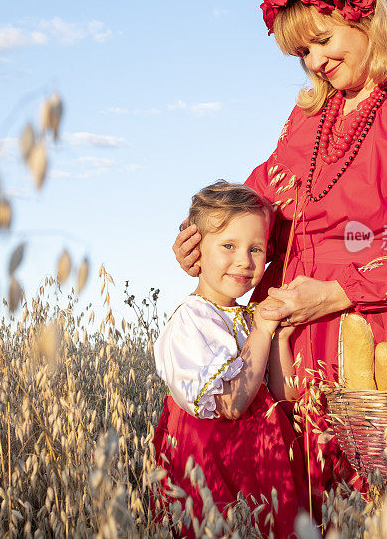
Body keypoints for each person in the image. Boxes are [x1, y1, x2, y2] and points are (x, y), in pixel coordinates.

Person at [173, 0, 387, 517]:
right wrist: (204, 237)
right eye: (301, 53)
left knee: (368, 507)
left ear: (367, 20)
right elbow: (257, 197)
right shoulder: (308, 114)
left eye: (322, 40)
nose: (314, 62)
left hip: (360, 335)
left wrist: (330, 295)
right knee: (281, 507)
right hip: (277, 342)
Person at [152, 181, 309, 538]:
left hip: (262, 467)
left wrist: (280, 337)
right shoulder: (191, 321)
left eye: (256, 249)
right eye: (228, 246)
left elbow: (284, 400)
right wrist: (265, 330)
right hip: (214, 471)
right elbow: (233, 403)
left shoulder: (250, 318)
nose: (244, 260)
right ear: (196, 251)